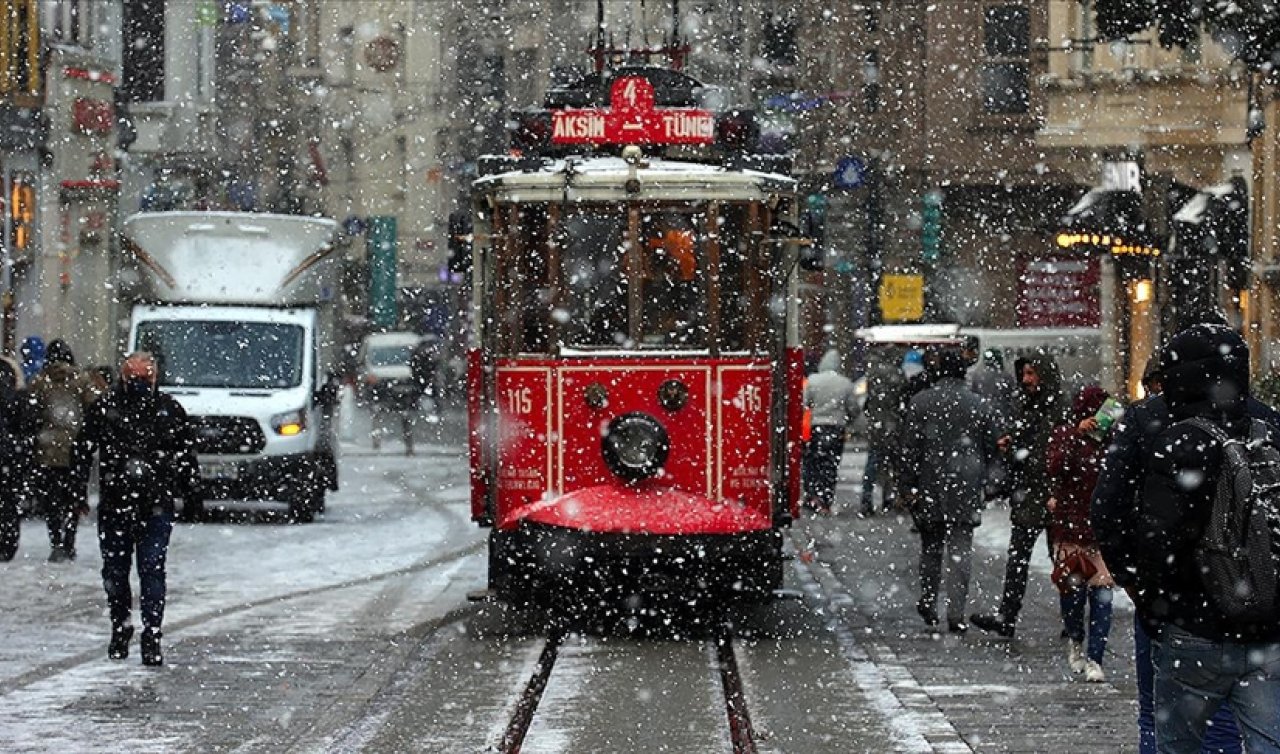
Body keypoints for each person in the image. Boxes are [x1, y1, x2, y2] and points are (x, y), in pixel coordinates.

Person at [1093, 349, 1279, 753]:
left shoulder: (1165, 432)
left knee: (1169, 733)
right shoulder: (1266, 425)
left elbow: (1117, 514)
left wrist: (1147, 594)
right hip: (1264, 624)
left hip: (1190, 622)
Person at [84, 352, 200, 666]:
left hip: (148, 505)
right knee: (123, 571)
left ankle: (147, 632)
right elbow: (82, 449)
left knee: (144, 569)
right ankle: (127, 628)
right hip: (124, 504)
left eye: (143, 377)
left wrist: (190, 492)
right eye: (135, 377)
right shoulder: (110, 409)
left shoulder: (165, 410)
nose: (138, 383)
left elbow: (186, 454)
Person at [899, 349, 999, 633]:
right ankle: (956, 613)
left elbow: (909, 449)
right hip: (966, 485)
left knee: (931, 548)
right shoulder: (978, 404)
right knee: (960, 551)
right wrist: (990, 483)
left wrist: (908, 486)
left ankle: (929, 602)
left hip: (930, 483)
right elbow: (992, 447)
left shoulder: (920, 403)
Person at [971, 351, 1068, 638]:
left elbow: (1045, 451)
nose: (1025, 380)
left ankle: (1071, 616)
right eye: (1024, 374)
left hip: (1052, 493)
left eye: (1031, 374)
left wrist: (1018, 451)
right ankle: (1008, 614)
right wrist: (1011, 446)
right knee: (1018, 558)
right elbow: (1026, 444)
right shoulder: (1025, 404)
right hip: (1030, 493)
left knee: (1060, 559)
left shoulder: (1059, 406)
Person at [1045, 385, 1115, 683]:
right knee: (1073, 596)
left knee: (1102, 598)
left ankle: (1096, 656)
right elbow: (1054, 467)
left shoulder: (1113, 440)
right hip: (1072, 529)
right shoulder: (1065, 435)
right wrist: (1076, 434)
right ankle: (1075, 640)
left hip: (1103, 530)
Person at [27, 340, 99, 562]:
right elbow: (94, 408)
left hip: (47, 450)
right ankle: (69, 540)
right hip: (75, 449)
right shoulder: (82, 381)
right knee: (74, 498)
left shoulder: (40, 381)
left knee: (52, 500)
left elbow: (32, 412)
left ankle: (56, 541)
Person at [803, 349, 859, 514]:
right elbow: (853, 409)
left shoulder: (813, 381)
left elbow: (804, 403)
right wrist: (846, 420)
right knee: (831, 465)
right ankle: (826, 499)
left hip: (817, 427)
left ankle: (813, 495)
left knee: (814, 463)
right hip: (836, 428)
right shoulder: (845, 383)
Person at [860, 352, 907, 515]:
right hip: (892, 424)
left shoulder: (873, 374)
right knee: (891, 463)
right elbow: (902, 400)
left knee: (873, 462)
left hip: (876, 423)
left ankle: (866, 499)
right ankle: (888, 498)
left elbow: (868, 402)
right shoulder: (898, 375)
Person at [0, 357, 29, 561]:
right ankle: (8, 543)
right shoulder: (18, 397)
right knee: (9, 502)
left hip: (9, 454)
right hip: (10, 457)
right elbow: (27, 426)